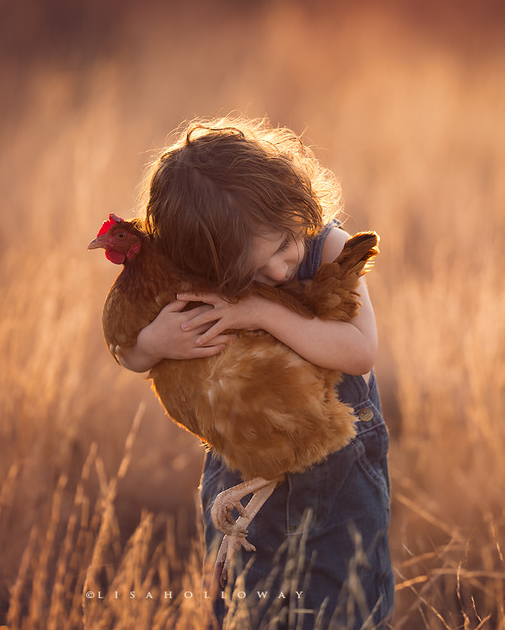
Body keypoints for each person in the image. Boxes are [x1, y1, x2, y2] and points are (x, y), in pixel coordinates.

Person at [116, 117, 393, 628]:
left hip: (335, 472)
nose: (278, 272)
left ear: (295, 206)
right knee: (246, 606)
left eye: (282, 247)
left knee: (339, 606)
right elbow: (130, 353)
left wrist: (261, 312)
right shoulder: (202, 266)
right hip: (241, 471)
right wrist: (154, 342)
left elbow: (359, 351)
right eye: (252, 269)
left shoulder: (328, 248)